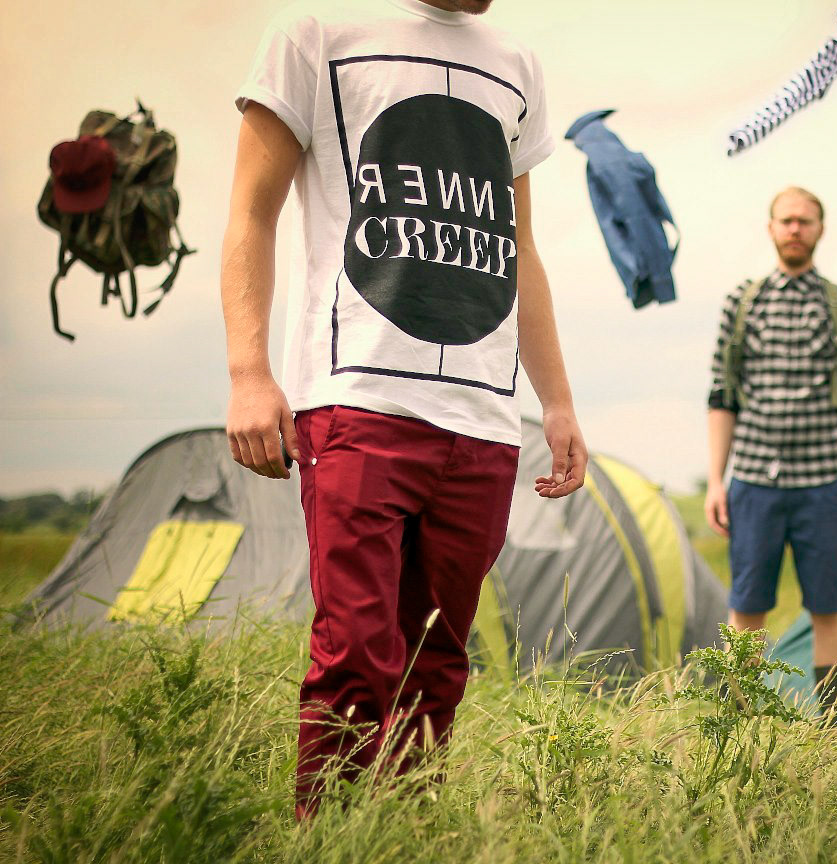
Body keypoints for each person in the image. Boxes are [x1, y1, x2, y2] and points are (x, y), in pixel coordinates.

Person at [221, 0, 585, 817]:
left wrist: (556, 401)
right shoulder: (317, 33)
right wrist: (249, 371)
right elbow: (251, 211)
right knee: (355, 653)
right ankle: (329, 838)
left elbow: (519, 247)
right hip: (358, 398)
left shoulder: (516, 65)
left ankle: (404, 834)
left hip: (483, 419)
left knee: (437, 664)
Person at [704, 186, 837, 716]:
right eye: (787, 220)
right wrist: (715, 480)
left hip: (823, 483)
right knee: (746, 609)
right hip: (753, 481)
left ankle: (836, 727)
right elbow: (722, 396)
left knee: (829, 608)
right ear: (771, 228)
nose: (795, 229)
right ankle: (735, 724)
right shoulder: (742, 302)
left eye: (805, 220)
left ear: (820, 229)